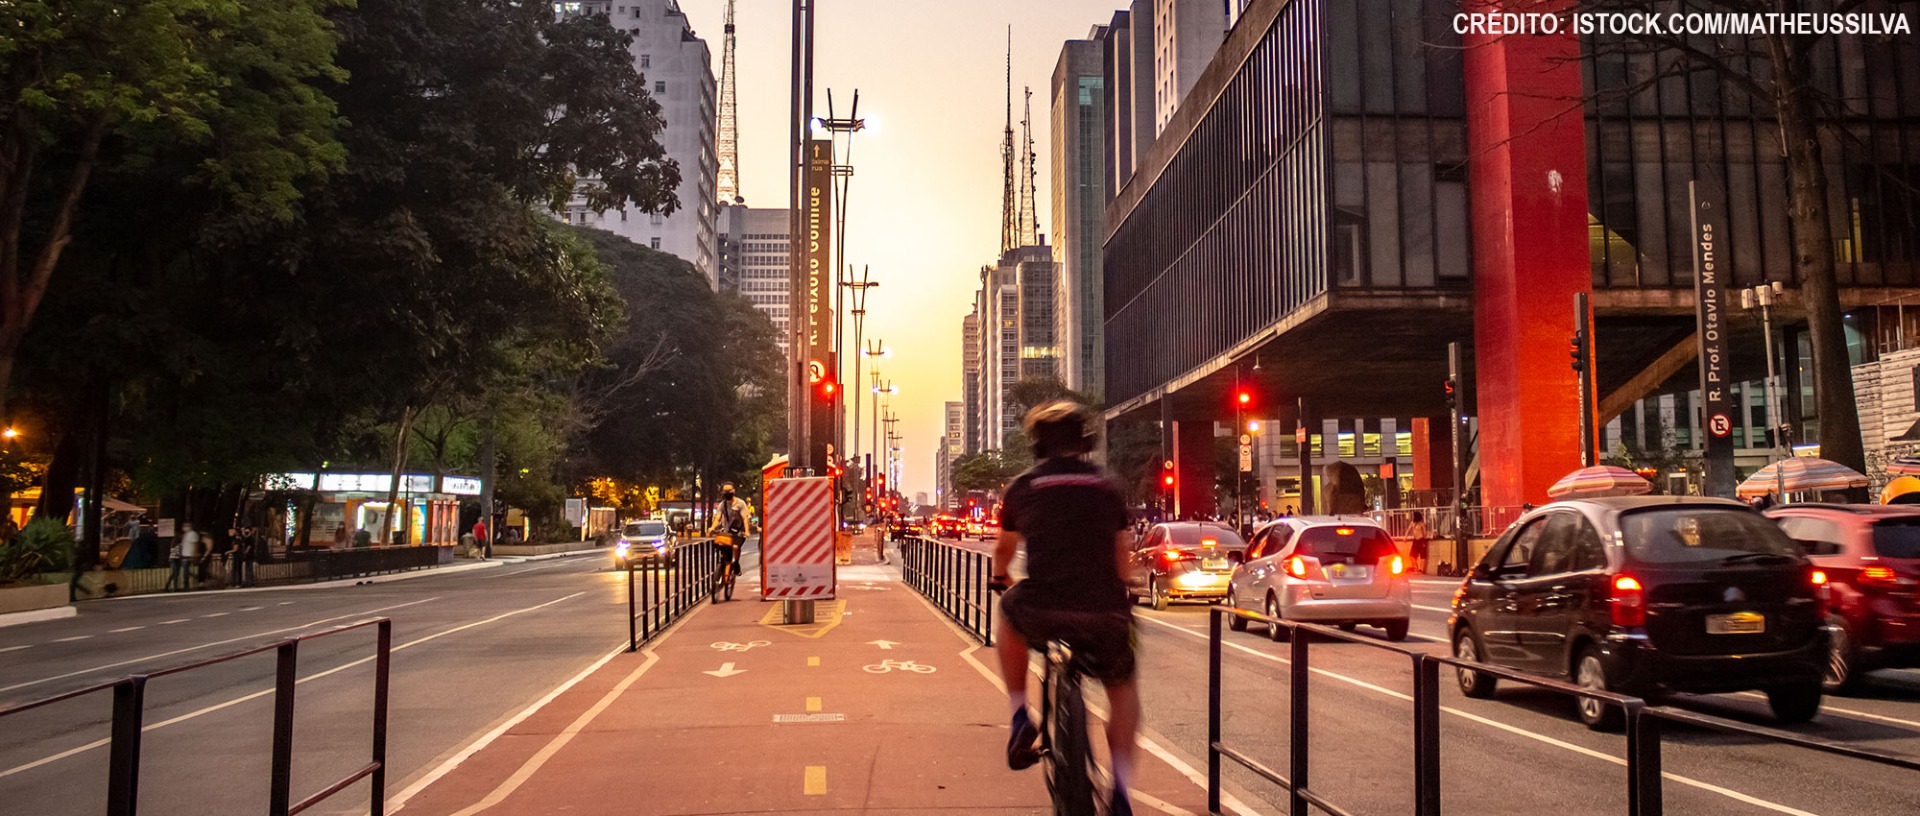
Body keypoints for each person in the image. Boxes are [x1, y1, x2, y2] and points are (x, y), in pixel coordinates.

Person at [990, 400, 1141, 816]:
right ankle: (1121, 790)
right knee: (1123, 691)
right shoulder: (1108, 487)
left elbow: (1004, 552)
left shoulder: (1023, 488)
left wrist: (1001, 579)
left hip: (1043, 608)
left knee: (1009, 612)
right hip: (1104, 613)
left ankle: (1020, 715)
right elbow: (1122, 560)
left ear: (1038, 446)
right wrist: (1125, 591)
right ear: (1085, 443)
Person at [708, 482, 754, 599]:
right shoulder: (722, 505)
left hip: (739, 533)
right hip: (727, 533)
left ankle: (736, 564)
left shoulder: (740, 503)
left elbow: (745, 518)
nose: (727, 493)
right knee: (722, 548)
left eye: (729, 491)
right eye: (725, 491)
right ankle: (720, 571)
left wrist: (747, 531)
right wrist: (712, 527)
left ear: (734, 491)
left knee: (735, 547)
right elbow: (717, 518)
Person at [165, 523, 202, 592]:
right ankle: (176, 587)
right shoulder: (180, 542)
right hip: (177, 558)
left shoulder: (188, 536)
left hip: (179, 558)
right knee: (179, 573)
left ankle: (174, 587)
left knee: (178, 573)